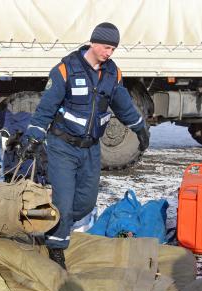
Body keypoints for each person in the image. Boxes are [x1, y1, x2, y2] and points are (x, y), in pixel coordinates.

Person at [21, 22, 150, 269]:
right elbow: (46, 107)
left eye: (113, 48)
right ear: (92, 42)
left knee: (87, 202)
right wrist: (34, 137)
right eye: (105, 47)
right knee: (64, 202)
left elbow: (123, 104)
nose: (108, 53)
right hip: (63, 147)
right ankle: (56, 249)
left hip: (91, 149)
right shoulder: (65, 70)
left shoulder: (113, 73)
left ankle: (49, 227)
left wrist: (139, 127)